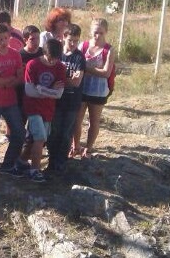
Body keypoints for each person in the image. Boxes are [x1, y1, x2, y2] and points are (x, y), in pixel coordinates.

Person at [8, 39, 66, 183]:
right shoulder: (33, 64)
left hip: (48, 108)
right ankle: (35, 170)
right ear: (44, 53)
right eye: (49, 58)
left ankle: (20, 163)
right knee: (40, 137)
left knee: (38, 139)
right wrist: (50, 91)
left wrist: (42, 89)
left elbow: (59, 94)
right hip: (32, 107)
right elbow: (29, 91)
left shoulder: (60, 67)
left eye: (55, 59)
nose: (52, 62)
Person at [72, 18, 116, 159]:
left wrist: (87, 68)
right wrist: (92, 69)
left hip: (98, 90)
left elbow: (106, 73)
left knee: (94, 120)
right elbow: (76, 64)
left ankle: (89, 148)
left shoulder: (109, 50)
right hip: (81, 88)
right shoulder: (83, 46)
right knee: (77, 119)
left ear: (106, 32)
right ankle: (75, 146)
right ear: (91, 31)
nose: (97, 36)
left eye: (101, 33)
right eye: (95, 32)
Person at [47, 24, 86, 174]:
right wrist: (67, 78)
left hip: (72, 101)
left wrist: (62, 79)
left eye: (76, 41)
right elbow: (51, 77)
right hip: (56, 100)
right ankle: (52, 159)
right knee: (54, 131)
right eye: (70, 40)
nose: (73, 44)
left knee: (66, 133)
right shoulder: (57, 54)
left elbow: (76, 82)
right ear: (63, 37)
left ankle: (61, 161)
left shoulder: (79, 57)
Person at [0, 25, 25, 174]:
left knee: (19, 132)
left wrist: (6, 81)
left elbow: (20, 78)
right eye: (0, 39)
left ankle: (8, 163)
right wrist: (10, 79)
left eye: (6, 38)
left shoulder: (15, 54)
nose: (3, 41)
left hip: (10, 100)